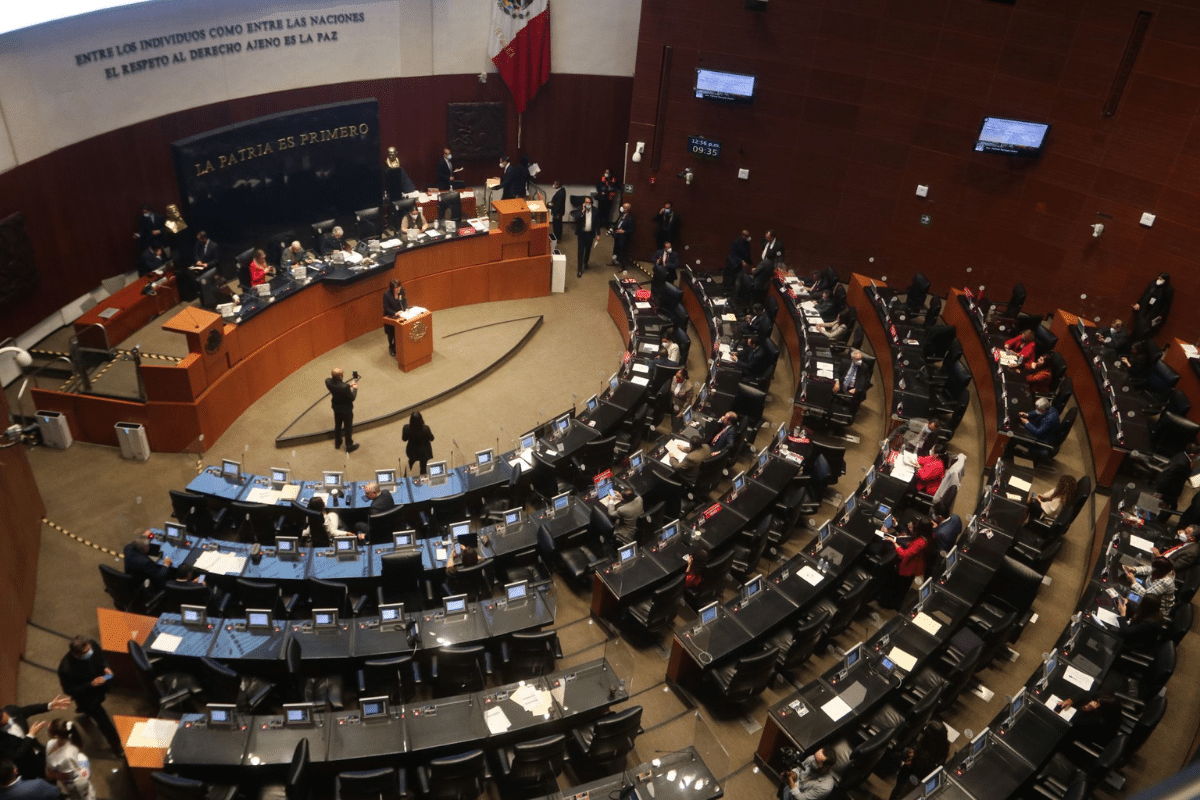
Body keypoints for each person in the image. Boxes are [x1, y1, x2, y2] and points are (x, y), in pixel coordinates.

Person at [56, 637, 123, 758]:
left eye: (89, 649)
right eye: (86, 652)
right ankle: (117, 746)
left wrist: (105, 666)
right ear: (76, 654)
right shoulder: (65, 669)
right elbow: (69, 690)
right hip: (87, 697)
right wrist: (90, 684)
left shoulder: (92, 644)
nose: (89, 651)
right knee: (104, 722)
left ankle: (84, 712)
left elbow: (101, 657)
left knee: (97, 706)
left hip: (101, 686)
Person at [0, 696, 70, 781]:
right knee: (42, 782)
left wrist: (49, 705)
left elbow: (29, 710)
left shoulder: (11, 710)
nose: (4, 717)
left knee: (52, 773)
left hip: (39, 750)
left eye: (2, 714)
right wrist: (30, 736)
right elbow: (16, 755)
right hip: (27, 765)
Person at [880, 518, 933, 609]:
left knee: (897, 587)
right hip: (915, 564)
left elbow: (904, 554)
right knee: (900, 588)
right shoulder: (929, 536)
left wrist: (894, 543)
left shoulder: (921, 542)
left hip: (909, 567)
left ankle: (888, 604)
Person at [889, 721, 949, 800]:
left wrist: (904, 756)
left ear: (928, 737)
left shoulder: (921, 756)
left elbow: (904, 768)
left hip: (908, 783)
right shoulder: (943, 749)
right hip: (920, 788)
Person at [44, 720, 94, 800]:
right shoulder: (51, 743)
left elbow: (66, 776)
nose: (47, 731)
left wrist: (51, 774)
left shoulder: (68, 756)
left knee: (80, 796)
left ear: (56, 736)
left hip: (75, 784)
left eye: (48, 729)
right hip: (68, 779)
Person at [1058, 694, 1123, 748]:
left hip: (1077, 742)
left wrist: (1085, 709)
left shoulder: (1095, 722)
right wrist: (1071, 700)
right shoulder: (1114, 715)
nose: (1094, 703)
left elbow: (1072, 721)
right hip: (1103, 737)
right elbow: (1088, 694)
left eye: (1097, 704)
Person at [1122, 557, 1176, 622]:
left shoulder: (1165, 582)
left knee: (1124, 601)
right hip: (1148, 593)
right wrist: (1134, 569)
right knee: (1125, 587)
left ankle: (1127, 621)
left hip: (1157, 609)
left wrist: (1133, 581)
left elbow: (1148, 597)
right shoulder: (1163, 570)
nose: (1152, 569)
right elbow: (1148, 569)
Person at [1153, 443, 1200, 509]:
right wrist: (1160, 492)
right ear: (1192, 455)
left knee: (1171, 507)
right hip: (1168, 491)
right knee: (1166, 509)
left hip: (1167, 490)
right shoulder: (1183, 464)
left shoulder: (1181, 455)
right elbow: (1169, 477)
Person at [326, 368, 359, 453]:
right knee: (348, 427)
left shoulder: (328, 382)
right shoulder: (344, 387)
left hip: (336, 407)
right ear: (340, 376)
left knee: (338, 425)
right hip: (346, 409)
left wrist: (348, 385)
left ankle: (338, 443)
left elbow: (339, 386)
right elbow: (352, 398)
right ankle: (349, 446)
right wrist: (355, 388)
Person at [1132, 272, 1173, 338]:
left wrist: (1161, 314)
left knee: (1146, 327)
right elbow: (1144, 294)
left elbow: (1166, 304)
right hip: (1145, 307)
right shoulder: (1152, 284)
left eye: (1161, 279)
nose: (1159, 280)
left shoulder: (1168, 290)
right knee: (1138, 324)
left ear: (1165, 281)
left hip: (1154, 311)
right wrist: (1138, 303)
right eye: (1159, 278)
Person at [572, 197, 600, 278]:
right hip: (582, 234)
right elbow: (576, 219)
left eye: (589, 202)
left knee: (588, 249)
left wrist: (598, 234)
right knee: (580, 251)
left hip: (590, 234)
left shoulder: (595, 210)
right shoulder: (580, 209)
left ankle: (586, 262)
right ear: (583, 203)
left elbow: (597, 223)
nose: (587, 204)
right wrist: (582, 212)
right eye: (586, 202)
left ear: (591, 203)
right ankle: (579, 269)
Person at [611, 203, 634, 267]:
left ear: (628, 209)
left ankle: (622, 266)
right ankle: (614, 261)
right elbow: (617, 223)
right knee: (615, 249)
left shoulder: (629, 218)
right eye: (623, 207)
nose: (623, 208)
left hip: (623, 237)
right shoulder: (621, 215)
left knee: (622, 252)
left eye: (625, 207)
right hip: (617, 235)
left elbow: (631, 230)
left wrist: (623, 231)